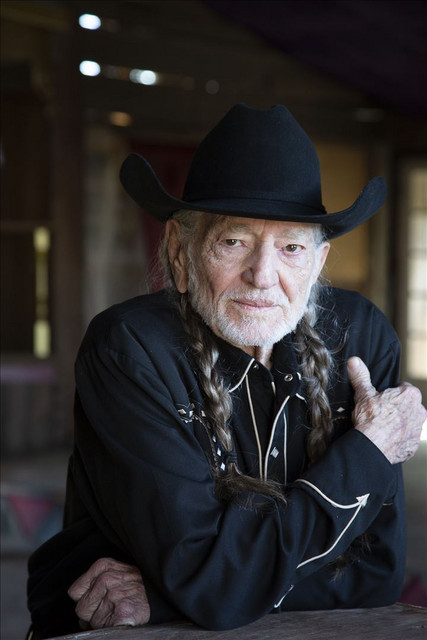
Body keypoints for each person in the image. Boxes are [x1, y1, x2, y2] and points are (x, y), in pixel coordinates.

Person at [27, 103, 426, 637]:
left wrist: (171, 595)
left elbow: (376, 575)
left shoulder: (362, 336)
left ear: (318, 263)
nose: (262, 275)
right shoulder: (129, 350)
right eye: (233, 242)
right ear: (180, 252)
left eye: (291, 247)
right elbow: (214, 582)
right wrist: (368, 453)